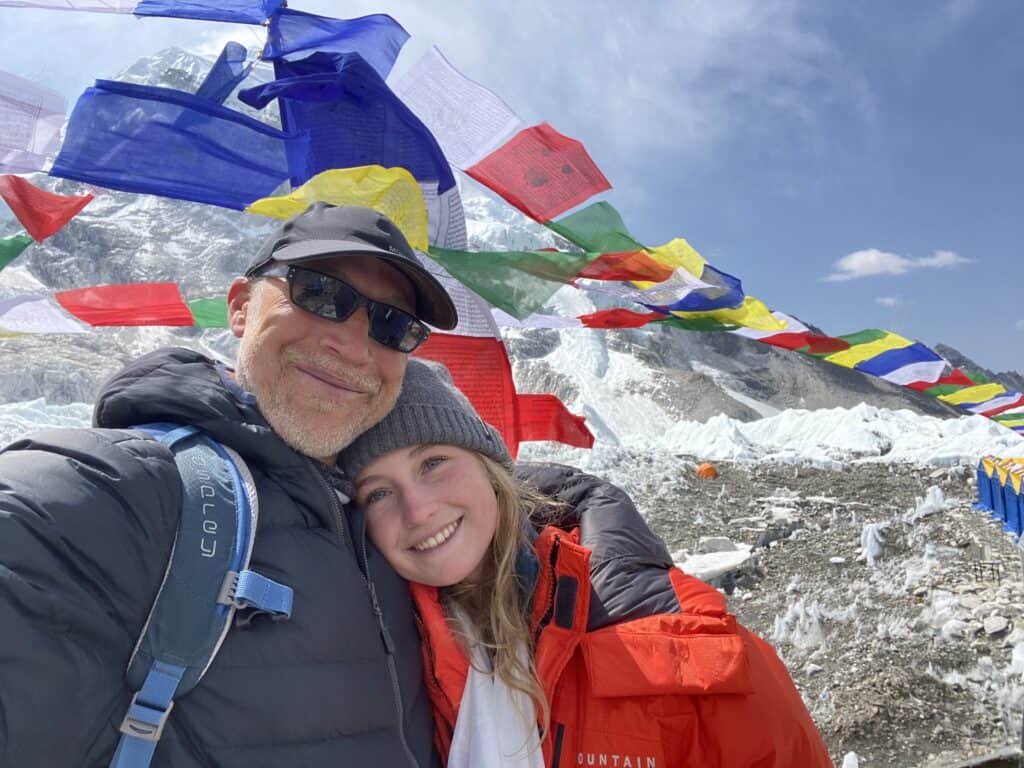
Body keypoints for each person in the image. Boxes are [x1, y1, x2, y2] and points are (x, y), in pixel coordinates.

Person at [0, 203, 460, 767]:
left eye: (394, 325)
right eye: (320, 293)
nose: (356, 346)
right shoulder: (122, 490)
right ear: (241, 307)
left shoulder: (386, 521)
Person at [340, 359, 835, 768]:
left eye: (433, 463)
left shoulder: (685, 637)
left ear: (491, 470)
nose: (418, 510)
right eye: (378, 491)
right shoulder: (374, 655)